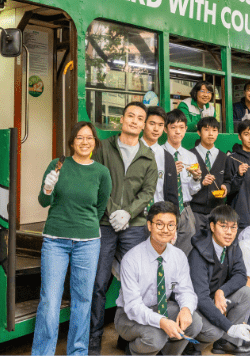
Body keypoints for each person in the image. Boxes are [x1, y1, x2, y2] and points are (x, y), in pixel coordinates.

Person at [32, 122, 112, 355]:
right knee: (49, 301)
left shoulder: (101, 172)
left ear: (95, 143)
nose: (85, 142)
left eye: (89, 138)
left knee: (83, 301)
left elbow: (99, 208)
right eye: (79, 138)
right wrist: (48, 188)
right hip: (55, 241)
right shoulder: (58, 165)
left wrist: (83, 225)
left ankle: (77, 352)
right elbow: (43, 202)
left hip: (87, 243)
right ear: (71, 142)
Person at [89, 102, 158, 354]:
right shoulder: (103, 148)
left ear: (143, 125)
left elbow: (148, 192)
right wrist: (112, 211)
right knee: (98, 282)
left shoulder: (148, 156)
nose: (134, 121)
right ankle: (93, 339)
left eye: (140, 118)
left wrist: (128, 213)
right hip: (104, 224)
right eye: (130, 116)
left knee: (138, 283)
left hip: (135, 225)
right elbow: (95, 180)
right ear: (121, 120)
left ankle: (129, 335)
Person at [114, 202, 203, 356]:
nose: (165, 230)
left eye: (171, 225)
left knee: (194, 323)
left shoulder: (178, 255)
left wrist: (186, 309)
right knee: (156, 337)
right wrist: (162, 321)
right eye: (159, 224)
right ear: (149, 226)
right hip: (128, 316)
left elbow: (186, 290)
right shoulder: (132, 259)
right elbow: (133, 307)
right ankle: (133, 350)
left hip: (160, 307)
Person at [186, 205, 250, 356]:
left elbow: (241, 275)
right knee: (214, 332)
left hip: (215, 298)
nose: (229, 232)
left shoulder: (233, 245)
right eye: (223, 226)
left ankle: (227, 342)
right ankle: (190, 345)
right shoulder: (198, 253)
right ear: (212, 226)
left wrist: (221, 292)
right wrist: (229, 326)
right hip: (196, 305)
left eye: (233, 227)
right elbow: (200, 298)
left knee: (246, 293)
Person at [163, 109, 203, 256]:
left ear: (186, 129)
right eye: (173, 127)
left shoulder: (190, 156)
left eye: (181, 127)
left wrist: (196, 178)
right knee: (163, 253)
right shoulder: (158, 154)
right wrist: (170, 173)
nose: (177, 132)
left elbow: (193, 190)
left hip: (186, 210)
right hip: (164, 209)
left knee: (186, 254)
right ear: (165, 129)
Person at [190, 116, 229, 231]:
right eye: (206, 130)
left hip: (217, 211)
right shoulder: (190, 155)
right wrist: (201, 183)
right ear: (199, 132)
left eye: (214, 130)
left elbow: (228, 180)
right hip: (195, 211)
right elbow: (184, 183)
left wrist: (226, 187)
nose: (211, 134)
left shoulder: (224, 157)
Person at [141, 106, 180, 210]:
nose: (156, 129)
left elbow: (172, 193)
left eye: (160, 125)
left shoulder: (167, 157)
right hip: (134, 217)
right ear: (143, 124)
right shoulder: (133, 150)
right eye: (152, 123)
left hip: (159, 216)